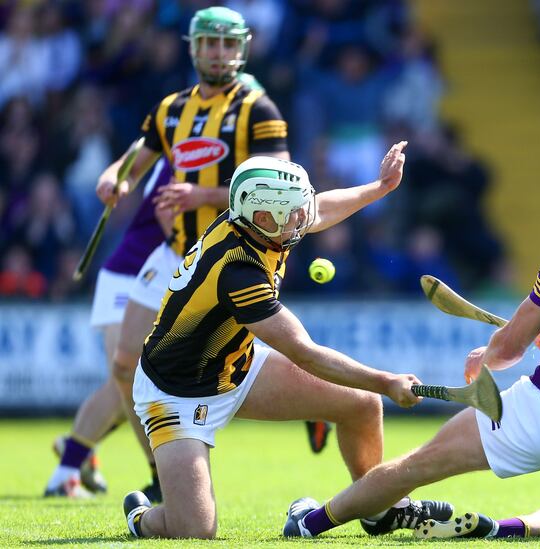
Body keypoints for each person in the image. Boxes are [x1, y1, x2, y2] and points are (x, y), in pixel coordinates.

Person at [283, 176, 540, 540]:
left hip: (539, 411)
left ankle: (311, 522)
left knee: (415, 467)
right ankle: (501, 529)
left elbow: (510, 348)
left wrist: (486, 356)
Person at [121, 148, 454, 539]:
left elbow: (322, 209)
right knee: (194, 530)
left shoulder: (256, 222)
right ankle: (141, 518)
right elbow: (304, 352)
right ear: (263, 216)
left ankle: (377, 509)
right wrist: (385, 381)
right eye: (294, 211)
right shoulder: (239, 271)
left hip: (235, 368)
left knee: (360, 405)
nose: (303, 217)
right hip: (175, 394)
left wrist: (380, 188)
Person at [90, 6, 328, 498]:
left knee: (243, 357)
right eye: (209, 43)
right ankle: (161, 476)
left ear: (240, 49)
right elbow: (140, 156)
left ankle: (319, 404)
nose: (218, 53)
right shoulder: (172, 107)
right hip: (175, 250)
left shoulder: (258, 111)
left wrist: (202, 196)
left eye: (227, 44)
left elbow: (283, 190)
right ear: (193, 47)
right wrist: (117, 176)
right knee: (122, 363)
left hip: (230, 253)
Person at [44, 159, 172, 499]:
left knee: (128, 385)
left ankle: (72, 455)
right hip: (129, 276)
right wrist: (112, 178)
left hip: (158, 278)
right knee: (125, 381)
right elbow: (133, 168)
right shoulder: (183, 147)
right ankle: (71, 468)